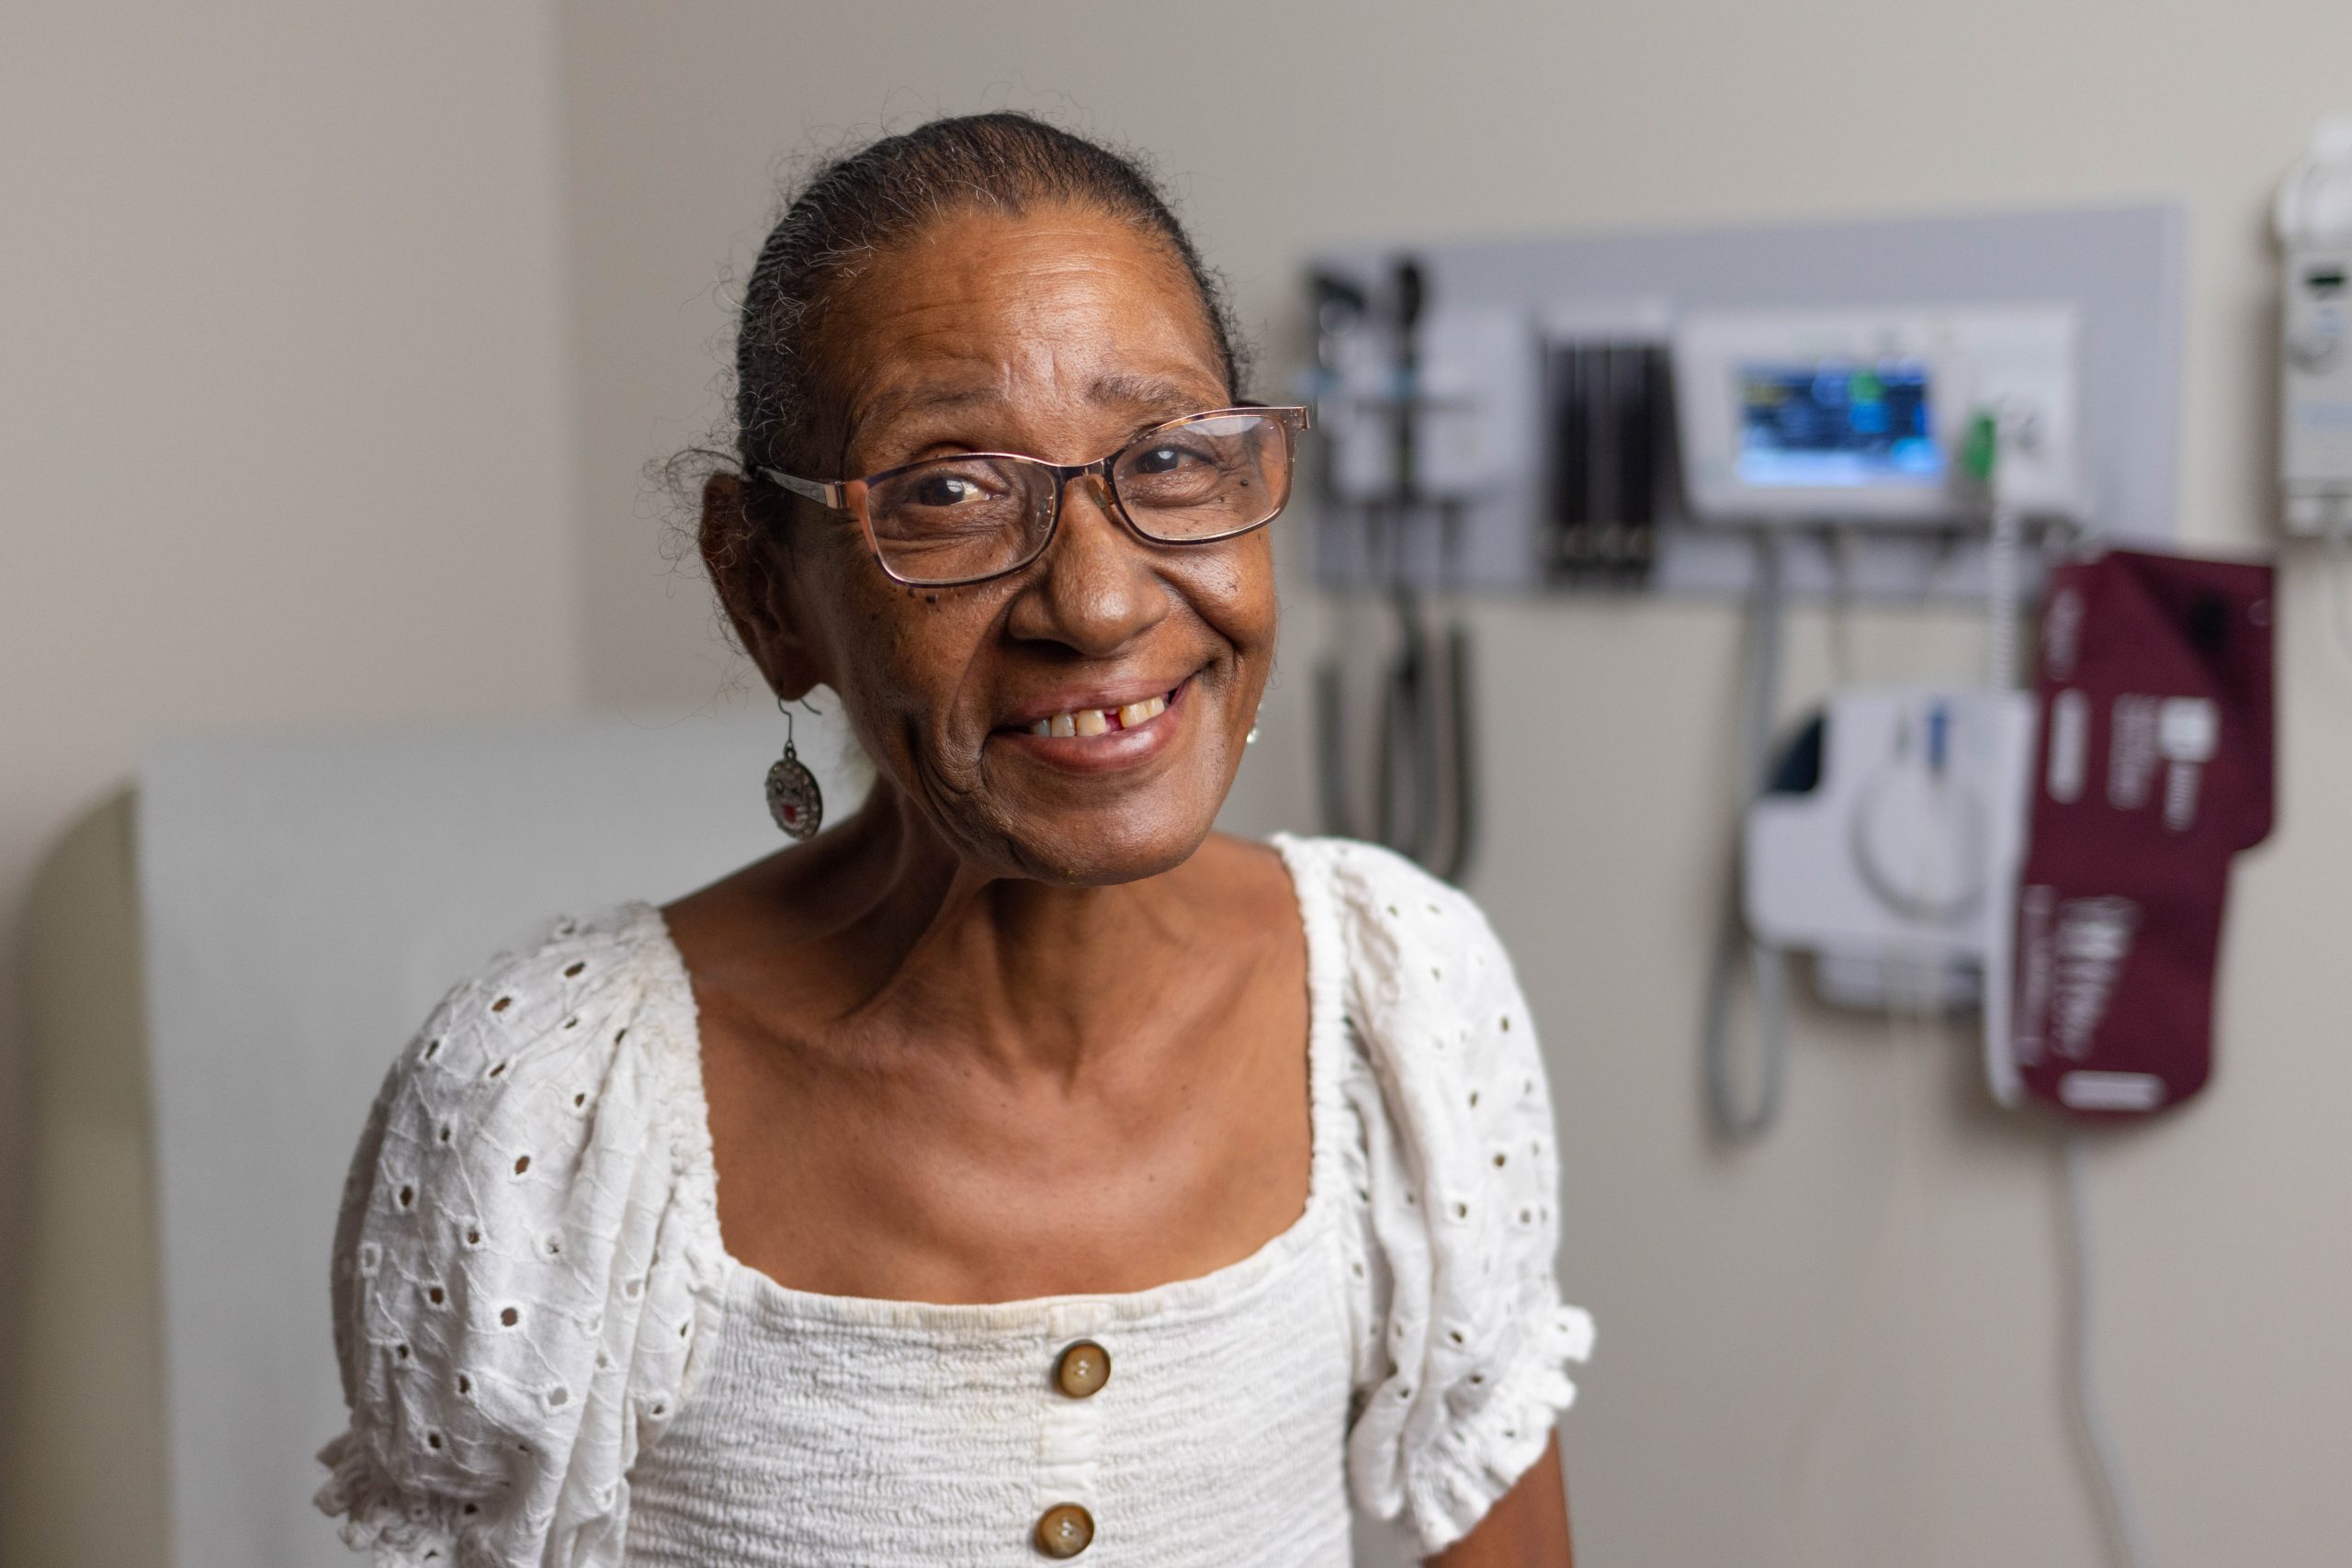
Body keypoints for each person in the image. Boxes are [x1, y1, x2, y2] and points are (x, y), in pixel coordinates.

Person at [315, 113, 1591, 1567]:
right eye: (948, 492)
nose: (1100, 606)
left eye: (1170, 457)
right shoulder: (555, 1113)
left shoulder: (1400, 1007)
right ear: (764, 590)